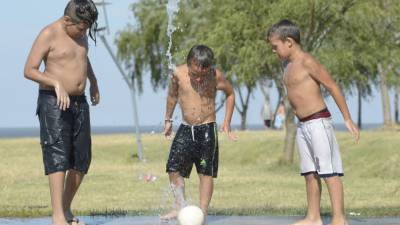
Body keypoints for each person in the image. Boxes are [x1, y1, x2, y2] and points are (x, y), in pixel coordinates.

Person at [266, 19, 360, 225]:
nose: (273, 51)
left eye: (275, 46)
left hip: (319, 123)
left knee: (329, 173)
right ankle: (313, 217)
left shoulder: (307, 61)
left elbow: (333, 86)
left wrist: (347, 118)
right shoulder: (286, 65)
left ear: (289, 42)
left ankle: (339, 219)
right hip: (303, 126)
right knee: (310, 174)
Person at [24, 1, 99, 224]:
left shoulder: (80, 31)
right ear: (68, 20)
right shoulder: (49, 33)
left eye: (87, 28)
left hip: (79, 101)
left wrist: (93, 81)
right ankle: (57, 217)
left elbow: (82, 57)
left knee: (82, 158)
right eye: (82, 28)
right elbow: (29, 69)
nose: (84, 32)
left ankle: (65, 209)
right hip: (53, 102)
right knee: (58, 157)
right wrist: (55, 82)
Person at [161, 45, 236, 222]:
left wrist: (226, 123)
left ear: (209, 68)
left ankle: (203, 211)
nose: (200, 78)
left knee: (205, 171)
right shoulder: (178, 74)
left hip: (207, 130)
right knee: (173, 167)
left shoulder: (215, 75)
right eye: (195, 74)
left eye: (204, 74)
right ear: (189, 64)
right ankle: (179, 206)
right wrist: (168, 120)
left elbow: (230, 94)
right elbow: (172, 96)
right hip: (186, 128)